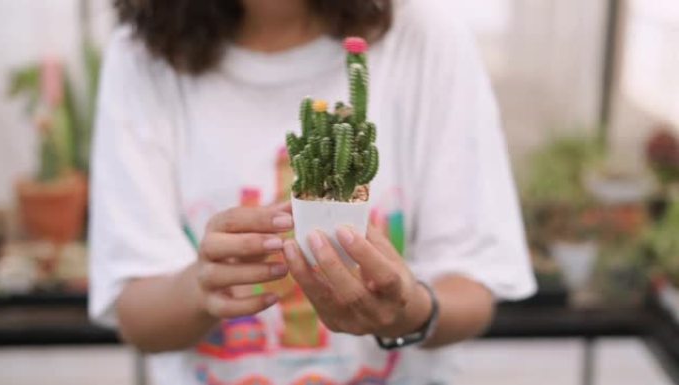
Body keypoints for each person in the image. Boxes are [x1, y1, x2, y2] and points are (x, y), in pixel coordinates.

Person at [89, 0, 536, 384]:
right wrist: (199, 287)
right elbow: (136, 313)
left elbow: (472, 287)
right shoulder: (142, 56)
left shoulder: (424, 35)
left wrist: (409, 311)